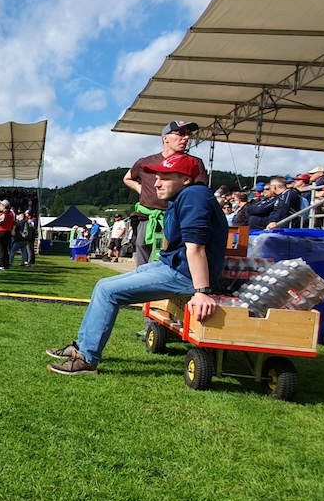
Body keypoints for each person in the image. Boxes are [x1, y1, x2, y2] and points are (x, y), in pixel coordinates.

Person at [46, 153, 228, 376]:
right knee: (103, 285)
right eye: (156, 177)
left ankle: (87, 359)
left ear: (186, 179)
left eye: (165, 177)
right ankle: (81, 348)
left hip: (185, 275)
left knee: (107, 291)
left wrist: (201, 292)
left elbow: (196, 247)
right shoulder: (184, 196)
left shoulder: (194, 196)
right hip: (172, 266)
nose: (156, 183)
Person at [123, 119, 207, 266]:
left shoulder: (193, 163)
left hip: (175, 219)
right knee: (142, 262)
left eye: (188, 134)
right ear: (165, 138)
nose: (186, 138)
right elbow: (127, 178)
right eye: (181, 134)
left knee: (167, 261)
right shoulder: (145, 162)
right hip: (146, 217)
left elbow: (200, 191)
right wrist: (140, 188)